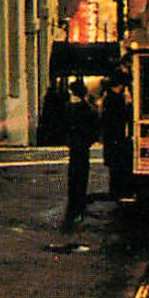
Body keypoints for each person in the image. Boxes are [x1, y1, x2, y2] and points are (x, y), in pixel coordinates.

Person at [62, 80, 99, 231]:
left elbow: (63, 124)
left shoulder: (67, 107)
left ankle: (73, 196)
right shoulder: (86, 108)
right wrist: (91, 139)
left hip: (73, 142)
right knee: (82, 169)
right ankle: (80, 197)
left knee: (73, 169)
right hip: (82, 142)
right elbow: (94, 125)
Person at [100, 73, 133, 202]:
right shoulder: (117, 99)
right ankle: (118, 191)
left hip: (111, 137)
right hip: (117, 137)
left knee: (114, 167)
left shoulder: (108, 98)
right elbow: (125, 116)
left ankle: (115, 190)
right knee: (119, 165)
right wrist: (129, 104)